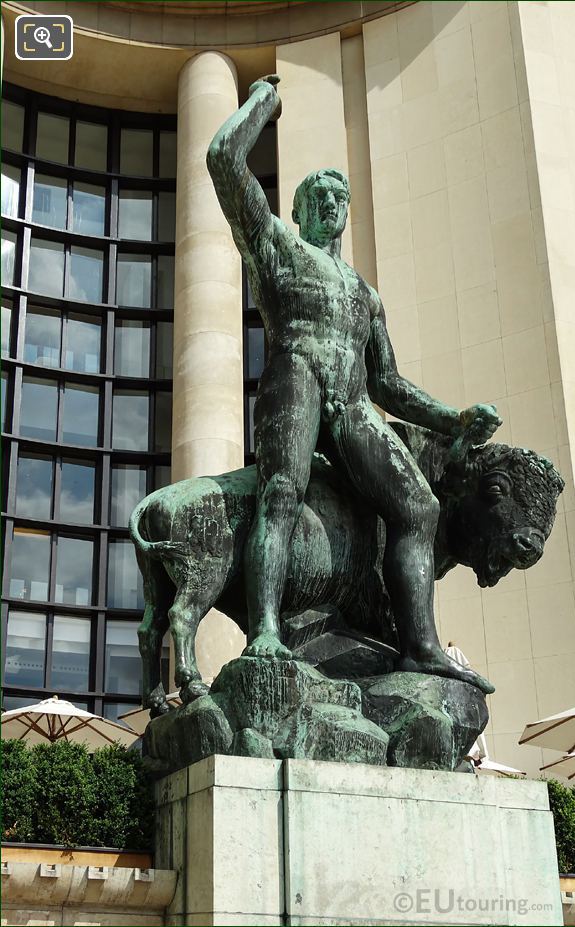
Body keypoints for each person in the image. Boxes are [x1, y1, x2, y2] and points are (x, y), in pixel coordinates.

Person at [207, 74, 500, 687]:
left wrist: (454, 419)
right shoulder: (275, 246)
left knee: (418, 506)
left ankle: (420, 646)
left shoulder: (365, 294)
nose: (332, 204)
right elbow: (221, 158)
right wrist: (263, 103)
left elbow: (389, 384)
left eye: (341, 198)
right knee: (280, 493)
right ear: (299, 209)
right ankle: (264, 628)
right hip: (296, 378)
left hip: (355, 403)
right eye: (320, 195)